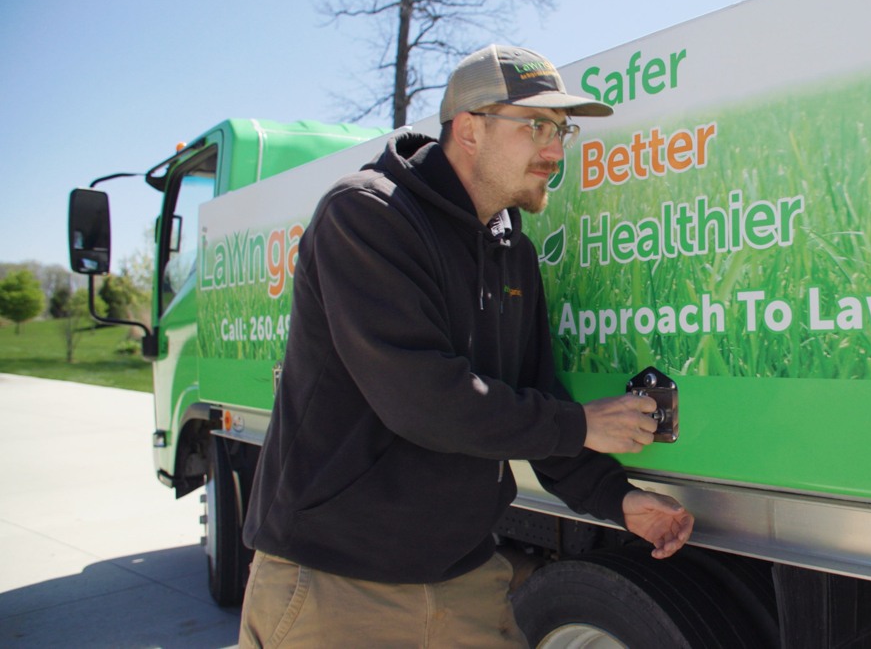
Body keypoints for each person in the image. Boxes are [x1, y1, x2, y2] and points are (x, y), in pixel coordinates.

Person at [238, 44, 695, 648]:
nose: (556, 150)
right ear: (470, 128)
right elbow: (422, 398)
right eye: (536, 126)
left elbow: (531, 398)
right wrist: (579, 424)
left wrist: (618, 498)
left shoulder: (513, 251)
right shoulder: (368, 216)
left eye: (562, 129)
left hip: (466, 582)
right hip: (338, 589)